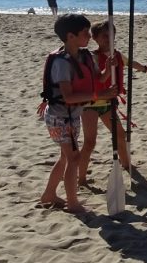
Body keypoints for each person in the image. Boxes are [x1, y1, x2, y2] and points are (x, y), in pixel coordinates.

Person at [38, 14, 117, 214]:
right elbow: (68, 97)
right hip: (59, 117)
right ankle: (72, 203)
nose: (89, 36)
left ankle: (49, 194)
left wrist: (108, 69)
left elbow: (98, 79)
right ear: (70, 36)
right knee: (73, 158)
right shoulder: (61, 63)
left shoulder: (85, 56)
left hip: (72, 115)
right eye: (85, 33)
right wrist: (100, 95)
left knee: (65, 158)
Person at [78, 20, 147, 185]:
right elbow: (99, 79)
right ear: (95, 38)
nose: (108, 39)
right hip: (90, 105)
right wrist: (108, 68)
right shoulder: (92, 57)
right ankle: (82, 178)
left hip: (108, 104)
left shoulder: (117, 55)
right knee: (90, 142)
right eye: (104, 36)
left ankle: (126, 164)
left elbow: (131, 63)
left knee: (120, 135)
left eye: (111, 35)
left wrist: (145, 69)